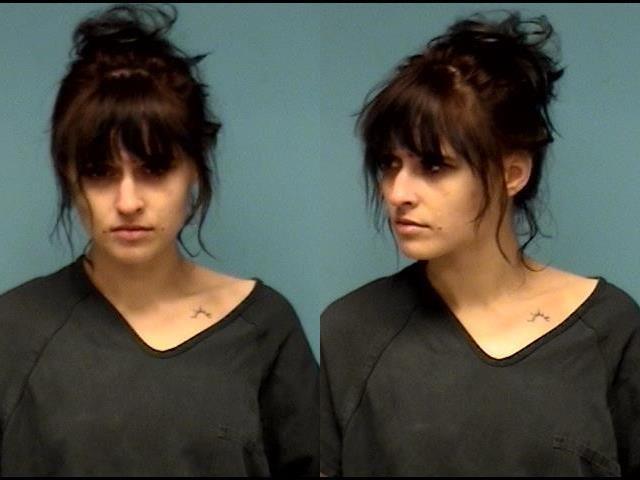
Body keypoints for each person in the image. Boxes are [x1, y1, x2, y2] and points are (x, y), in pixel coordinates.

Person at [0, 4, 318, 476]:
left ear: (195, 167)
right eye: (100, 172)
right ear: (69, 176)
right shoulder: (14, 331)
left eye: (153, 169)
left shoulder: (264, 328)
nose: (128, 201)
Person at [320, 10, 640, 477]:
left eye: (433, 166)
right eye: (390, 164)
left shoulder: (609, 329)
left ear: (512, 173)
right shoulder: (352, 330)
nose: (398, 192)